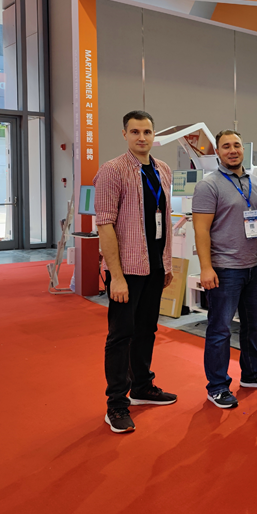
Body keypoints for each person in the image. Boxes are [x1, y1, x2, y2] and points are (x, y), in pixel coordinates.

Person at [95, 110, 177, 433]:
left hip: (154, 267)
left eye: (147, 132)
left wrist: (166, 264)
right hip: (127, 270)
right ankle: (116, 404)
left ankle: (142, 386)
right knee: (121, 336)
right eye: (135, 132)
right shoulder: (112, 170)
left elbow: (164, 220)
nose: (142, 137)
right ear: (125, 135)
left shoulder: (163, 170)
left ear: (154, 135)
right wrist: (115, 276)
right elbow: (105, 225)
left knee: (147, 330)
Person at [192, 130, 257, 409]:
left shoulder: (256, 183)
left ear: (244, 149)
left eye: (237, 145)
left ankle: (252, 374)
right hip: (224, 269)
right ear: (218, 152)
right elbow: (201, 230)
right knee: (220, 329)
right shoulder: (209, 185)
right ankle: (217, 386)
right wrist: (206, 268)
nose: (232, 150)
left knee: (253, 326)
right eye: (226, 146)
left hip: (254, 268)